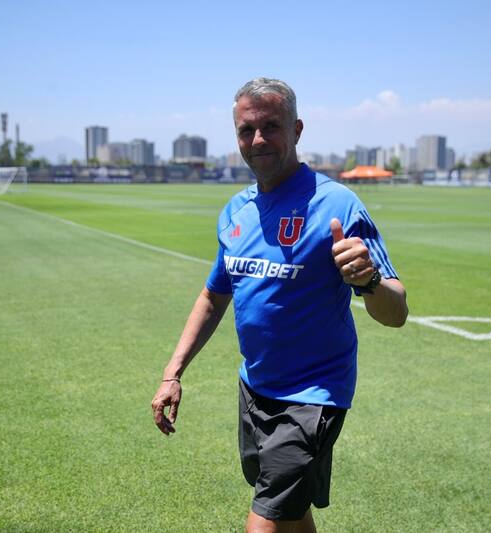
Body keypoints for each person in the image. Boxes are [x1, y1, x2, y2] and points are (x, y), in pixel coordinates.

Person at [151, 77, 408, 533]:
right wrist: (173, 372)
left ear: (297, 129)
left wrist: (367, 280)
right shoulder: (235, 211)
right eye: (246, 130)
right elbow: (214, 295)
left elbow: (397, 312)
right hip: (254, 388)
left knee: (266, 521)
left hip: (313, 396)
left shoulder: (337, 204)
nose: (258, 140)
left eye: (271, 126)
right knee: (291, 514)